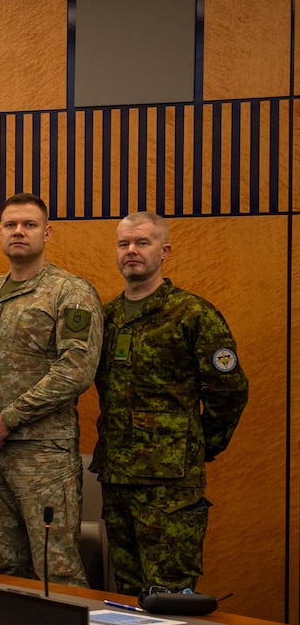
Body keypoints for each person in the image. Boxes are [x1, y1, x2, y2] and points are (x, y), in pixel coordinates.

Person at [92, 212, 249, 593]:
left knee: (171, 593)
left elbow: (229, 390)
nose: (131, 251)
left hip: (170, 484)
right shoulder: (106, 317)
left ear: (164, 251)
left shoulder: (193, 314)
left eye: (141, 243)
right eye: (123, 244)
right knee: (126, 592)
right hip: (117, 477)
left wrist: (200, 443)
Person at [0, 194, 103, 585]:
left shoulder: (70, 292)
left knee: (55, 567)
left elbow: (75, 370)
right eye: (10, 225)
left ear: (47, 232)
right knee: (1, 567)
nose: (18, 232)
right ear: (0, 233)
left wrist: (7, 419)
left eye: (28, 224)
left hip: (43, 454)